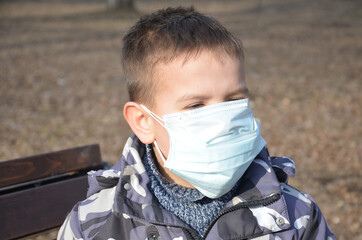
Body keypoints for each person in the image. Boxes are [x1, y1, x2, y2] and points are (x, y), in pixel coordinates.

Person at [58, 7, 336, 240]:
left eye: (233, 100)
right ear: (143, 122)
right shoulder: (92, 225)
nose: (222, 122)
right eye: (195, 106)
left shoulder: (296, 214)